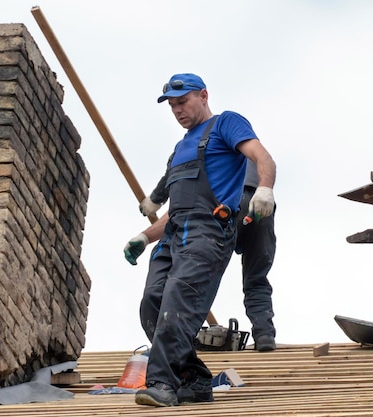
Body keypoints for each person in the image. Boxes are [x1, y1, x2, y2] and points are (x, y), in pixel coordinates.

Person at [123, 73, 276, 407]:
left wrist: (264, 188)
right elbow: (173, 208)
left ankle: (162, 383)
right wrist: (144, 237)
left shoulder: (226, 125)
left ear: (203, 96)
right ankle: (195, 379)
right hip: (174, 233)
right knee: (153, 302)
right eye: (173, 106)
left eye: (183, 102)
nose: (178, 111)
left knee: (178, 301)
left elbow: (263, 158)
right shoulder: (179, 149)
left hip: (208, 233)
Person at [134, 160, 277, 352]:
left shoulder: (196, 152)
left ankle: (175, 346)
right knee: (256, 278)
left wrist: (145, 236)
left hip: (222, 206)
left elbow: (183, 212)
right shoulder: (242, 150)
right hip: (258, 205)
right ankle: (264, 335)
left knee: (195, 275)